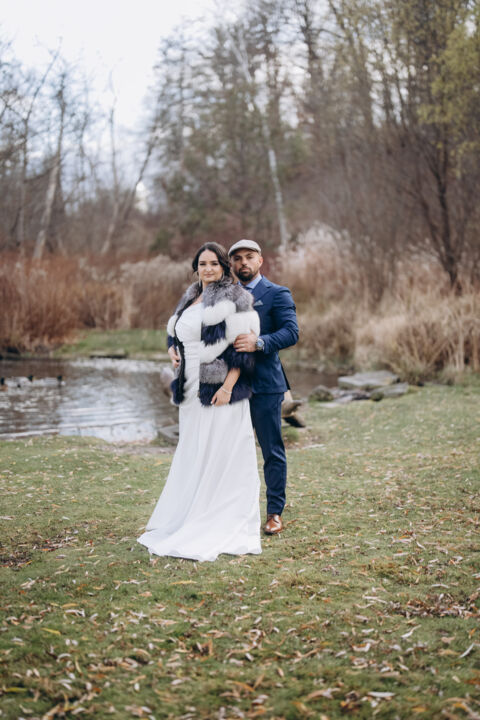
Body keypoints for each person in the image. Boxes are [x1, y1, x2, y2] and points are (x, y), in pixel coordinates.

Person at [137, 242, 262, 562]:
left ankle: (215, 517)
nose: (208, 269)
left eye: (214, 264)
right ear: (196, 268)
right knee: (194, 449)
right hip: (190, 387)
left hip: (219, 390)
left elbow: (242, 351)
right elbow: (176, 331)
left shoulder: (236, 298)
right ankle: (189, 512)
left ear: (224, 267)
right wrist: (171, 349)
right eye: (202, 264)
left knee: (218, 451)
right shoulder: (191, 295)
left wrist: (228, 388)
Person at [228, 239, 299, 536]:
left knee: (271, 450)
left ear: (260, 261)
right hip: (229, 386)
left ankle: (274, 513)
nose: (243, 262)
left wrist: (259, 342)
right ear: (231, 264)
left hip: (265, 385)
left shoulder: (277, 293)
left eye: (249, 257)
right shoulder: (224, 296)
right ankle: (232, 511)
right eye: (237, 258)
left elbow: (291, 332)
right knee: (231, 450)